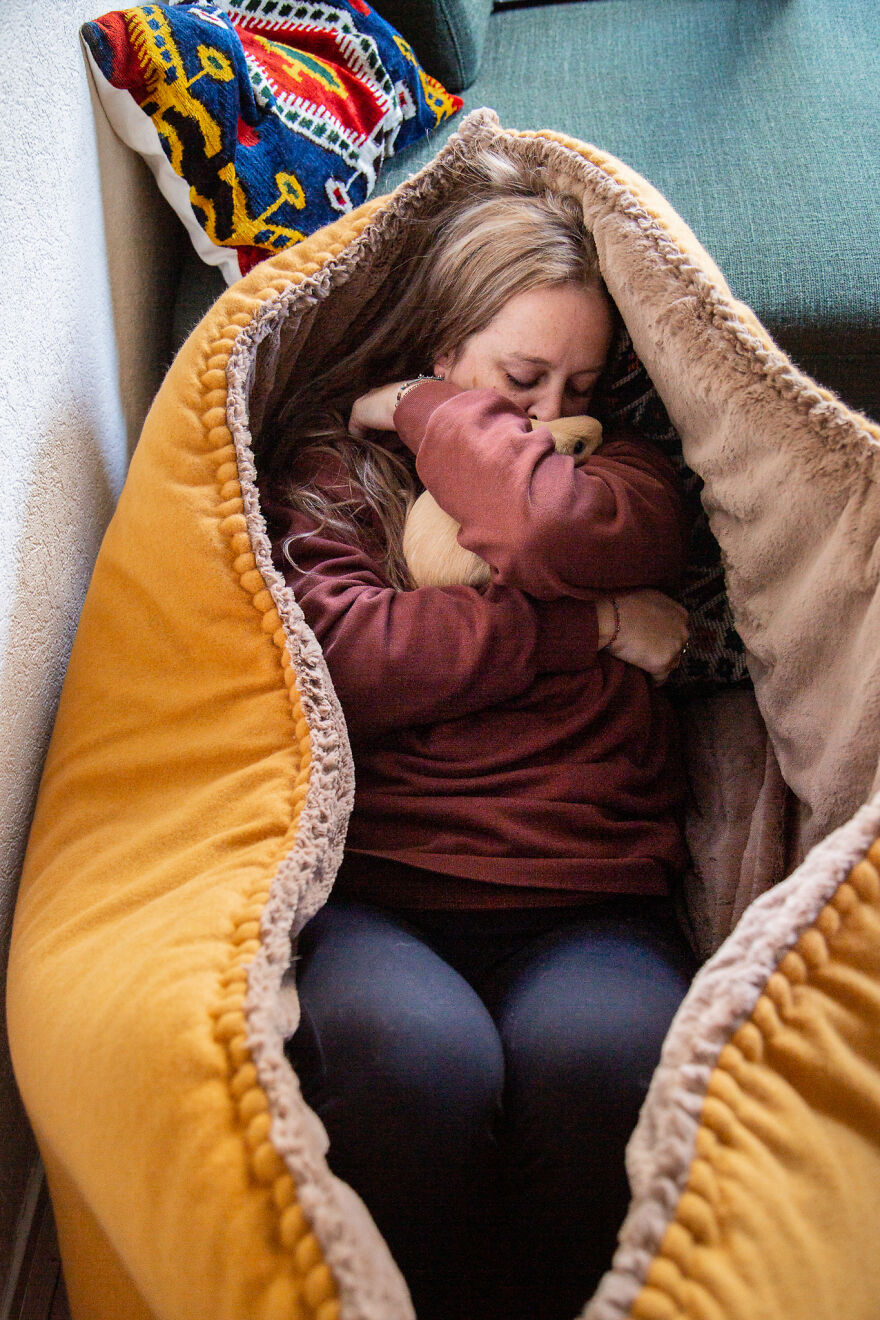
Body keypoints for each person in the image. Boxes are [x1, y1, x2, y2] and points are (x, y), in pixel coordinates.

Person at [260, 150, 696, 1320]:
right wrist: (591, 630)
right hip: (386, 899)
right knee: (417, 1067)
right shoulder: (340, 479)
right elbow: (350, 662)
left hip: (589, 901)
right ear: (441, 347)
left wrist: (440, 416)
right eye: (517, 380)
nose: (554, 419)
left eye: (580, 381)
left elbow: (541, 530)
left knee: (606, 1066)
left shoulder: (630, 485)